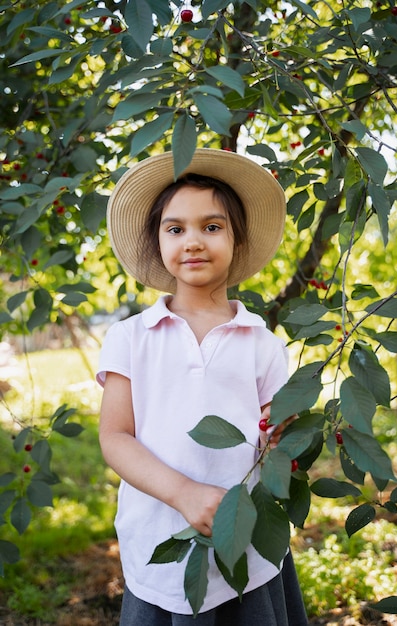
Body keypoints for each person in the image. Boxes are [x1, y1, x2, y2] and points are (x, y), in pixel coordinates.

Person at [97, 148, 308, 625]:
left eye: (212, 227)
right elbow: (115, 436)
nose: (193, 241)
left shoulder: (261, 342)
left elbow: (276, 434)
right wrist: (183, 492)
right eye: (176, 229)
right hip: (161, 540)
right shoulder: (130, 338)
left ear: (236, 240)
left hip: (246, 543)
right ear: (157, 242)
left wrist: (285, 433)